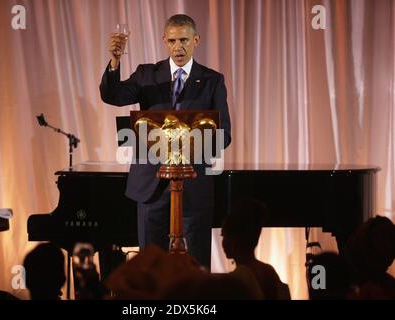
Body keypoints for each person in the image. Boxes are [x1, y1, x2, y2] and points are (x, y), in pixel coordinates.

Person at [99, 14, 231, 269]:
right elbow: (112, 96)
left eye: (184, 40)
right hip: (151, 184)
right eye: (172, 41)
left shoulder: (213, 80)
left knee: (197, 266)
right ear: (164, 41)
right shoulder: (147, 75)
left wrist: (191, 144)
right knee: (150, 267)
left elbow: (224, 133)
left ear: (196, 40)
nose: (178, 47)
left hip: (193, 185)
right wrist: (115, 61)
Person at [221, 199, 291, 300]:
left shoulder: (238, 278)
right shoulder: (269, 271)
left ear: (234, 241)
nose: (222, 242)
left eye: (223, 236)